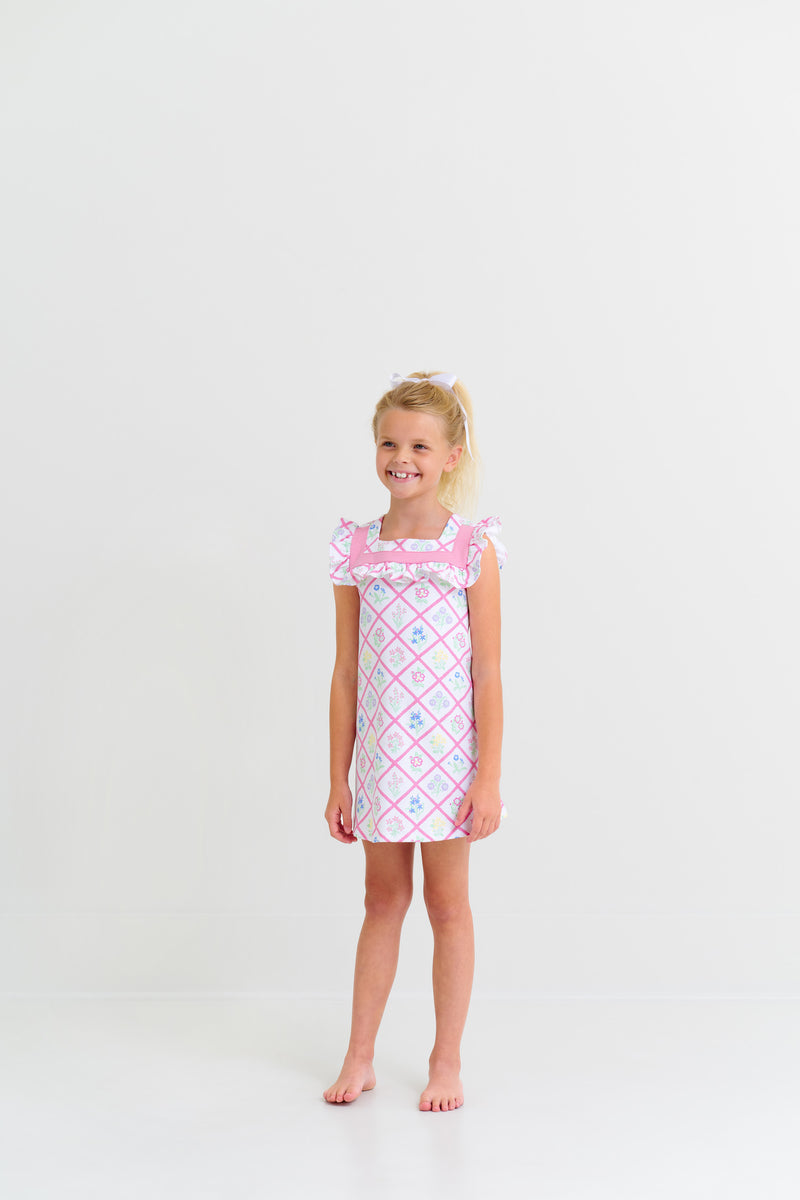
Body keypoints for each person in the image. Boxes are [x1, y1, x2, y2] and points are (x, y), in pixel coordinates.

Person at [324, 370, 507, 1112]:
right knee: (382, 899)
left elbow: (488, 671)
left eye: (420, 446)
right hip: (383, 761)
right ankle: (360, 1055)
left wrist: (488, 776)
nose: (402, 458)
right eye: (389, 443)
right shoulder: (356, 549)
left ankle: (446, 1061)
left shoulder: (470, 548)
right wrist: (338, 778)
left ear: (451, 456)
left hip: (449, 763)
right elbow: (345, 672)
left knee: (448, 905)